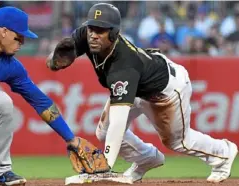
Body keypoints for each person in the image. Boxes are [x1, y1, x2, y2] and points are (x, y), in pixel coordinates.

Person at [47, 3, 238, 183]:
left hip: (166, 89)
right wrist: (52, 60)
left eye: (101, 30)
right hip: (138, 85)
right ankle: (146, 158)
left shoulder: (123, 65)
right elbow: (61, 53)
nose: (93, 35)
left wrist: (104, 167)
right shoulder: (86, 36)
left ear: (113, 33)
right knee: (103, 132)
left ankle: (224, 152)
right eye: (91, 28)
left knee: (178, 142)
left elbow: (119, 123)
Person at [0, 6, 109, 186]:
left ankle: (0, 172)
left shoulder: (11, 67)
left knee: (2, 102)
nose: (22, 42)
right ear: (4, 32)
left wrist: (71, 138)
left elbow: (41, 102)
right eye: (19, 37)